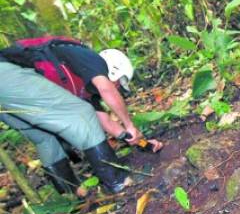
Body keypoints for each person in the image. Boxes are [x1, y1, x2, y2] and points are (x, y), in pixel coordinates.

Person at [0, 36, 162, 194]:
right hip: (8, 75)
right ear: (114, 70)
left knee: (45, 138)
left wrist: (141, 142)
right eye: (119, 83)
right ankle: (118, 181)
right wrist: (129, 125)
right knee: (83, 114)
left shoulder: (80, 89)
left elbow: (106, 122)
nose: (117, 87)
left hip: (8, 89)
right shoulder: (92, 59)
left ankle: (70, 196)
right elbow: (107, 90)